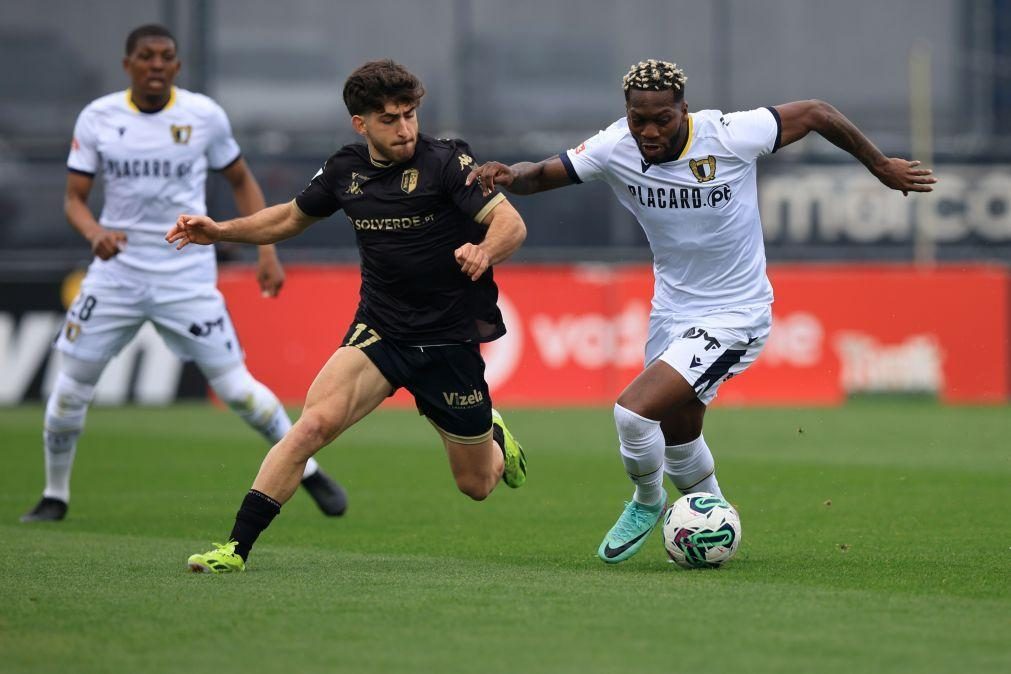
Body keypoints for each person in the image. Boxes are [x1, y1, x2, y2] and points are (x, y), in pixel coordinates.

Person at [466, 59, 936, 564]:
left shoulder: (730, 134)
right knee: (679, 434)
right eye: (637, 118)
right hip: (670, 312)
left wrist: (881, 165)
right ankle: (712, 528)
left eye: (661, 119)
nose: (648, 131)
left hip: (737, 314)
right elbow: (543, 174)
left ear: (683, 111)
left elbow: (818, 113)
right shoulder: (615, 146)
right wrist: (509, 174)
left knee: (631, 412)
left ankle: (647, 503)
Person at [170, 59, 529, 574]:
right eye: (389, 119)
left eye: (410, 114)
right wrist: (220, 230)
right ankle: (234, 548)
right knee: (309, 427)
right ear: (360, 124)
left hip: (448, 340)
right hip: (381, 330)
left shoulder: (449, 162)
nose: (404, 128)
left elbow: (510, 224)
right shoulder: (345, 171)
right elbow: (292, 217)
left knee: (477, 485)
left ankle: (494, 436)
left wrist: (484, 251)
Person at [20, 24, 347, 523]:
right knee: (69, 390)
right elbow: (74, 199)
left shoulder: (203, 116)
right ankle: (54, 495)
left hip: (186, 276)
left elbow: (241, 180)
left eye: (166, 57)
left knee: (237, 390)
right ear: (128, 64)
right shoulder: (98, 118)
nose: (156, 65)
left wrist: (266, 253)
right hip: (116, 275)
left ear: (176, 66)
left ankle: (310, 471)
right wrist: (94, 235)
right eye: (146, 57)